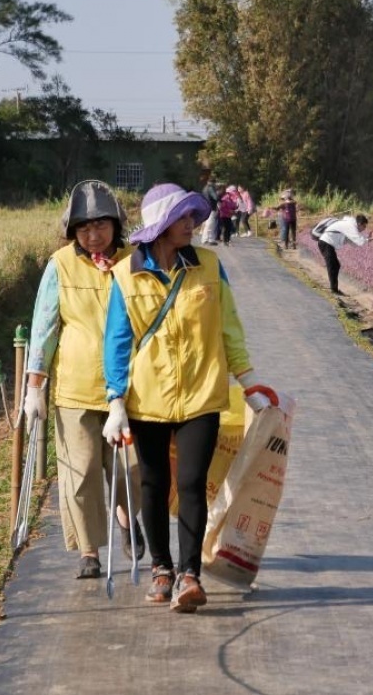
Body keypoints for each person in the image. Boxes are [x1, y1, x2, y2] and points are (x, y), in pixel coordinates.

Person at [102, 183, 273, 613]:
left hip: (202, 393)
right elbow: (117, 343)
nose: (192, 225)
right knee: (154, 486)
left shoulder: (211, 267)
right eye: (182, 218)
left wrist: (249, 384)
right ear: (161, 225)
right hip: (147, 399)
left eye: (193, 217)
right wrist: (115, 401)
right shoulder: (126, 275)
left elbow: (229, 328)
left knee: (194, 485)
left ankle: (189, 574)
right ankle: (161, 568)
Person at [25, 181, 145, 580]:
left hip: (130, 387)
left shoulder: (136, 261)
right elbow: (44, 326)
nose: (94, 236)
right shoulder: (60, 264)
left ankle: (130, 524)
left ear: (116, 224)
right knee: (82, 471)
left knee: (130, 467)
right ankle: (90, 552)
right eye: (84, 229)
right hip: (74, 388)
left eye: (101, 226)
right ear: (73, 232)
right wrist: (34, 386)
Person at [316, 213, 373, 295]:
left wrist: (368, 239)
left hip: (327, 243)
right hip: (326, 243)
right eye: (364, 226)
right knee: (332, 266)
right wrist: (370, 238)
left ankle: (334, 289)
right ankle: (334, 290)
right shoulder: (350, 226)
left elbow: (354, 242)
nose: (364, 229)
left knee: (336, 265)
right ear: (359, 224)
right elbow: (360, 241)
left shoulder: (349, 225)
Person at [199, 171, 220, 246]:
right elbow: (215, 197)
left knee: (207, 224)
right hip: (211, 208)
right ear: (213, 182)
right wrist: (218, 192)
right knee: (210, 224)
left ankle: (204, 239)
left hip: (206, 207)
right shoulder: (210, 188)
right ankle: (210, 239)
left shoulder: (205, 188)